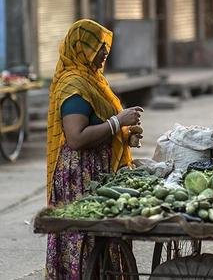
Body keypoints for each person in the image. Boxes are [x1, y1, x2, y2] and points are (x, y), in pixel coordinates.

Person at [45, 19, 143, 279]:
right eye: (99, 48)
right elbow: (76, 138)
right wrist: (117, 123)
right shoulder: (74, 84)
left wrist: (124, 133)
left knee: (103, 238)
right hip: (79, 175)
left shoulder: (92, 79)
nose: (104, 55)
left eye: (105, 49)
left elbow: (102, 122)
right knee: (86, 239)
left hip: (97, 170)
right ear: (81, 47)